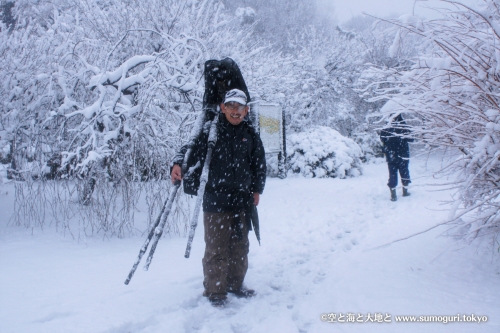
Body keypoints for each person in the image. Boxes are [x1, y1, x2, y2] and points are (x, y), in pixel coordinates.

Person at [171, 89, 266, 307]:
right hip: (215, 201)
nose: (235, 111)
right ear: (222, 107)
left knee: (240, 246)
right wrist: (177, 164)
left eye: (240, 107)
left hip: (242, 201)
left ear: (247, 110)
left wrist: (257, 189)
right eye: (231, 106)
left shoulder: (250, 134)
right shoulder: (210, 131)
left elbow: (259, 164)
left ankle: (235, 284)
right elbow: (188, 150)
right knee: (216, 248)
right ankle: (215, 291)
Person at [380, 114, 413, 201]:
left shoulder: (387, 125)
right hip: (403, 154)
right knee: (404, 171)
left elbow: (382, 138)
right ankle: (405, 191)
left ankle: (393, 194)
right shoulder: (403, 125)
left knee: (392, 174)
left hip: (391, 155)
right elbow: (411, 138)